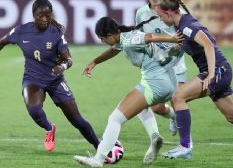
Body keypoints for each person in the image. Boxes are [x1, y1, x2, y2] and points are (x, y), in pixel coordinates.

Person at [156, 0, 233, 168]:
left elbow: (209, 45)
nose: (160, 19)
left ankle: (185, 145)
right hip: (221, 72)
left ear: (169, 12)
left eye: (160, 16)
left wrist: (211, 73)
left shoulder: (187, 26)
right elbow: (183, 46)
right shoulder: (180, 26)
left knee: (178, 97)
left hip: (217, 71)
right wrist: (167, 54)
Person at [0, 0, 100, 152]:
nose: (44, 19)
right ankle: (49, 129)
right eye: (40, 15)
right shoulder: (21, 31)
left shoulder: (56, 33)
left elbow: (69, 59)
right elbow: (1, 42)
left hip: (55, 80)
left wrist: (61, 66)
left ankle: (100, 146)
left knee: (76, 119)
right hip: (33, 79)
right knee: (34, 110)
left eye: (48, 15)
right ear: (33, 15)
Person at [73, 16, 183, 167]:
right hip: (168, 80)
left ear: (110, 35)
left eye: (102, 39)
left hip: (155, 82)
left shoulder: (130, 39)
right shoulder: (122, 39)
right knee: (142, 108)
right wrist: (94, 62)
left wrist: (172, 38)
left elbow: (149, 37)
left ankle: (98, 160)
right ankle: (156, 135)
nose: (102, 42)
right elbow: (113, 50)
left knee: (115, 118)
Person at [135, 0, 188, 138]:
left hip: (176, 63)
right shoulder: (141, 13)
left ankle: (185, 143)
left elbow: (188, 31)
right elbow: (140, 36)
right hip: (156, 66)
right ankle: (173, 117)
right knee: (157, 107)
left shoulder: (175, 10)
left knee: (178, 99)